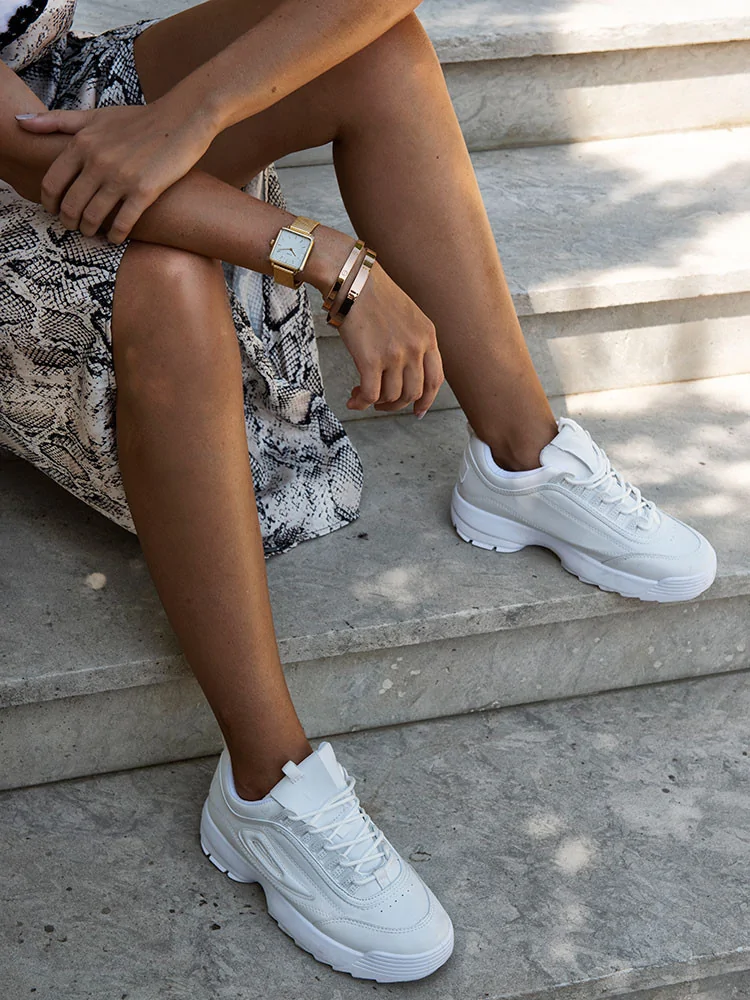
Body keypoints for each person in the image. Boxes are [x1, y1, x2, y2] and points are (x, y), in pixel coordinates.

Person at [0, 0, 717, 983]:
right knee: (167, 279)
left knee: (380, 51)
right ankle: (267, 784)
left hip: (41, 85)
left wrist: (194, 111)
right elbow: (28, 160)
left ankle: (522, 458)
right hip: (18, 162)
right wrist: (333, 261)